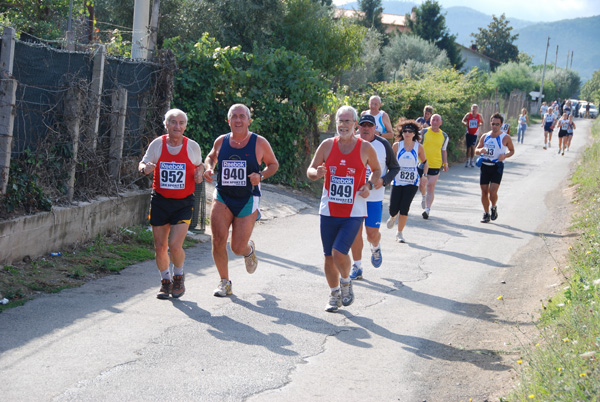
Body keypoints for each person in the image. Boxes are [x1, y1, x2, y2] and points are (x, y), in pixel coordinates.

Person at [307, 105, 381, 312]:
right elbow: (310, 170)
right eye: (341, 121)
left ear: (355, 124)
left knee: (339, 252)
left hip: (354, 212)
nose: (344, 125)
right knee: (328, 256)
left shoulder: (365, 148)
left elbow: (376, 171)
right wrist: (317, 172)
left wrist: (369, 185)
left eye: (348, 121)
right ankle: (334, 294)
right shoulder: (327, 145)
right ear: (336, 123)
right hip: (328, 210)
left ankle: (346, 282)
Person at [203, 104, 279, 297]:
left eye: (242, 117)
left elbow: (273, 165)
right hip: (223, 196)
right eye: (234, 117)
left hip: (247, 198)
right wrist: (210, 168)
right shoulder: (221, 141)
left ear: (248, 121)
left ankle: (248, 249)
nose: (238, 120)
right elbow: (211, 157)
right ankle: (224, 282)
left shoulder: (259, 142)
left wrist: (260, 176)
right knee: (218, 239)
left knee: (237, 247)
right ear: (228, 121)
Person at [139, 108, 205, 299]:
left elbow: (198, 167)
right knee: (160, 247)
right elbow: (143, 163)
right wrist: (145, 168)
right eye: (173, 122)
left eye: (181, 122)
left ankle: (178, 276)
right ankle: (165, 282)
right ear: (166, 124)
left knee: (175, 245)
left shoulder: (192, 146)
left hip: (183, 203)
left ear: (185, 126)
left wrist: (199, 174)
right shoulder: (157, 145)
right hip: (160, 201)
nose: (177, 126)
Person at [349, 115, 400, 280]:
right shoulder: (351, 141)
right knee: (355, 234)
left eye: (369, 125)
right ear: (358, 127)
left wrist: (384, 180)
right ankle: (357, 267)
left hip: (374, 198)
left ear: (374, 128)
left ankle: (375, 247)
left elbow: (394, 167)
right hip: (355, 198)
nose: (365, 128)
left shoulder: (383, 144)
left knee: (371, 234)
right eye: (362, 125)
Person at [386, 119, 428, 243]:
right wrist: (388, 174)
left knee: (404, 208)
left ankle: (399, 233)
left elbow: (425, 162)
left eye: (410, 131)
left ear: (414, 133)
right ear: (402, 133)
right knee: (393, 208)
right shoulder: (396, 146)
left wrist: (424, 175)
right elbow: (389, 161)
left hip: (412, 182)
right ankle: (393, 216)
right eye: (405, 131)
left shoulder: (418, 147)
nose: (407, 133)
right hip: (397, 181)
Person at [475, 113, 515, 223]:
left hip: (497, 166)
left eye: (497, 124)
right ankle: (486, 213)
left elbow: (512, 150)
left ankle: (493, 206)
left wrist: (505, 156)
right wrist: (480, 150)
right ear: (490, 123)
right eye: (493, 124)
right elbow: (476, 150)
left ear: (501, 124)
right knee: (484, 191)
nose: (495, 126)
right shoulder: (485, 136)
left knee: (492, 191)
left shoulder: (505, 137)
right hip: (485, 165)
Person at [419, 114, 449, 219]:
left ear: (441, 122)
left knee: (430, 186)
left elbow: (443, 150)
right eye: (433, 120)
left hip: (436, 164)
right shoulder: (423, 132)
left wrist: (445, 163)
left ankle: (427, 209)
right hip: (422, 163)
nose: (435, 122)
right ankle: (423, 196)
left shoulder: (444, 136)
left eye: (437, 120)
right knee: (422, 185)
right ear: (430, 121)